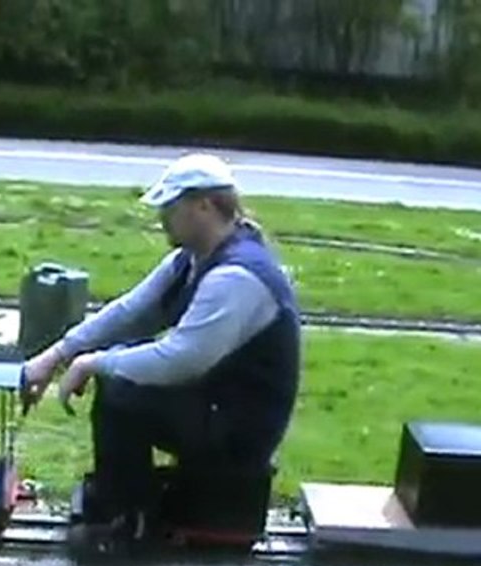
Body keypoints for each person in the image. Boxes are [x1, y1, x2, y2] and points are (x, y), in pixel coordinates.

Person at [21, 153, 302, 533]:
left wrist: (91, 363)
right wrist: (54, 355)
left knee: (122, 385)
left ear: (203, 205)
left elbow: (181, 359)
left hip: (241, 428)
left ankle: (127, 518)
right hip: (218, 404)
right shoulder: (191, 259)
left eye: (170, 206)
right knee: (121, 367)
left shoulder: (237, 277)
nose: (162, 217)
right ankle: (121, 505)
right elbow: (130, 312)